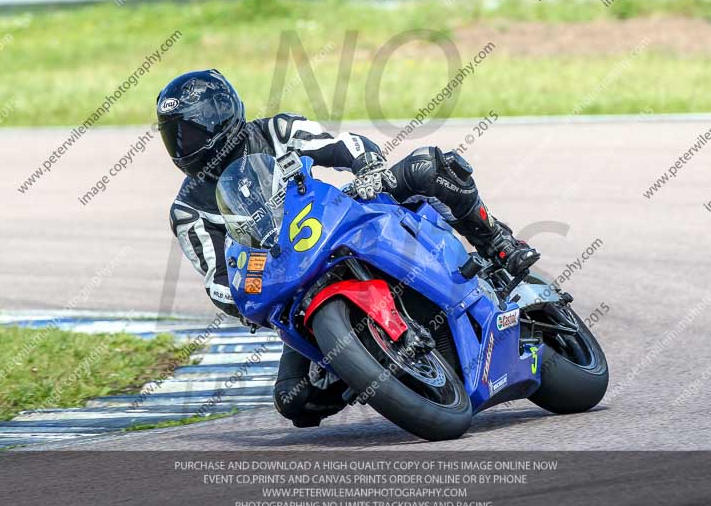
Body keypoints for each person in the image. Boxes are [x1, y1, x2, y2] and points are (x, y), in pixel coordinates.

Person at [158, 69, 539, 428]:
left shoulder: (277, 130)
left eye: (189, 132)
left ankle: (497, 243)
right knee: (295, 400)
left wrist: (368, 167)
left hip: (342, 222)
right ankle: (370, 365)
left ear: (219, 117)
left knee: (426, 167)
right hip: (292, 283)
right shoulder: (187, 210)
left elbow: (344, 146)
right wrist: (243, 298)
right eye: (173, 136)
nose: (182, 146)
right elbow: (216, 279)